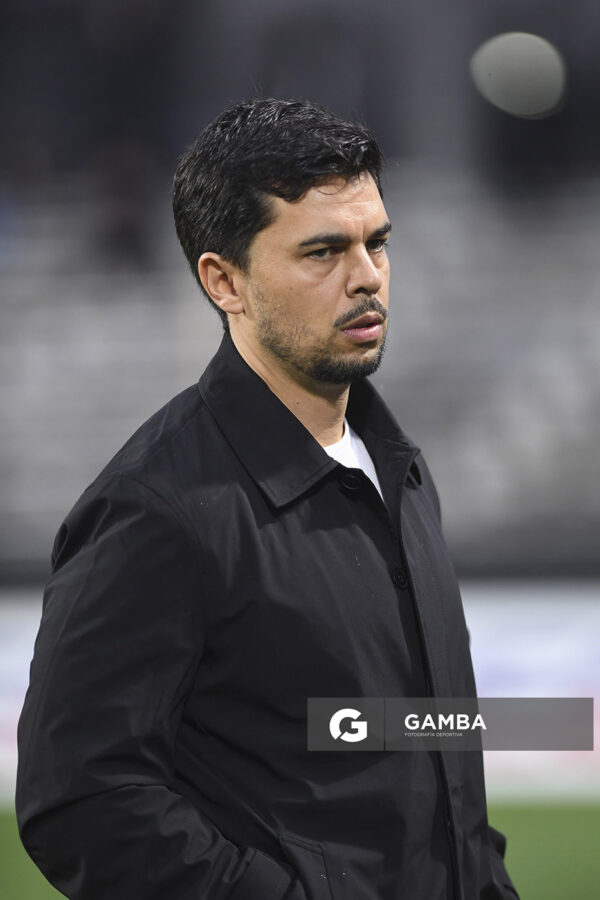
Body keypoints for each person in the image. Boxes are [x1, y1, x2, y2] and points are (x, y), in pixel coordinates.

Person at [16, 98, 519, 900]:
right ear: (225, 281)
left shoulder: (396, 467)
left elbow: (423, 754)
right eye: (323, 251)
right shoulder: (158, 507)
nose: (366, 276)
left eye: (376, 242)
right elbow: (80, 800)